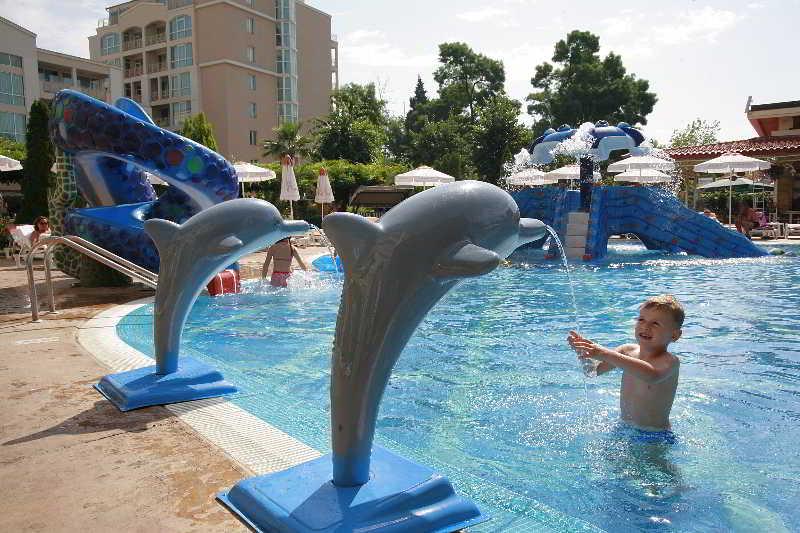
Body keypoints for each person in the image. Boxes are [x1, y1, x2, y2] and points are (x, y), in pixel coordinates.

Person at [567, 294, 684, 431]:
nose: (645, 327)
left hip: (654, 435)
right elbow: (592, 371)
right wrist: (583, 353)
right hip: (623, 428)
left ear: (674, 335)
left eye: (655, 323)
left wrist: (604, 353)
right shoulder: (625, 351)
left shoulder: (670, 362)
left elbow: (651, 375)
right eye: (641, 319)